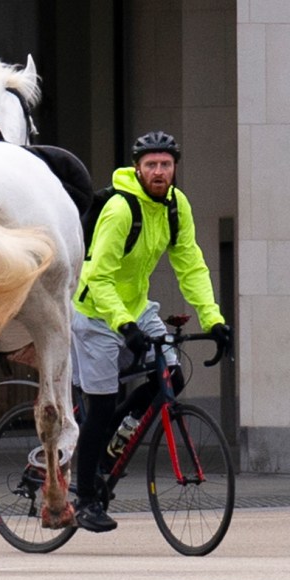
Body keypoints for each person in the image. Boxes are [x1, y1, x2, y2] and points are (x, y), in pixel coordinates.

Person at [70, 131, 233, 532]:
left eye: (165, 164)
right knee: (102, 402)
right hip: (95, 311)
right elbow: (97, 275)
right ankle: (84, 497)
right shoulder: (122, 209)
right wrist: (123, 325)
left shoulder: (176, 206)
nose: (159, 172)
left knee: (170, 376)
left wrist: (213, 320)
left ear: (175, 167)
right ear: (137, 168)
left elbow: (191, 266)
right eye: (151, 165)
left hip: (137, 307)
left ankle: (110, 445)